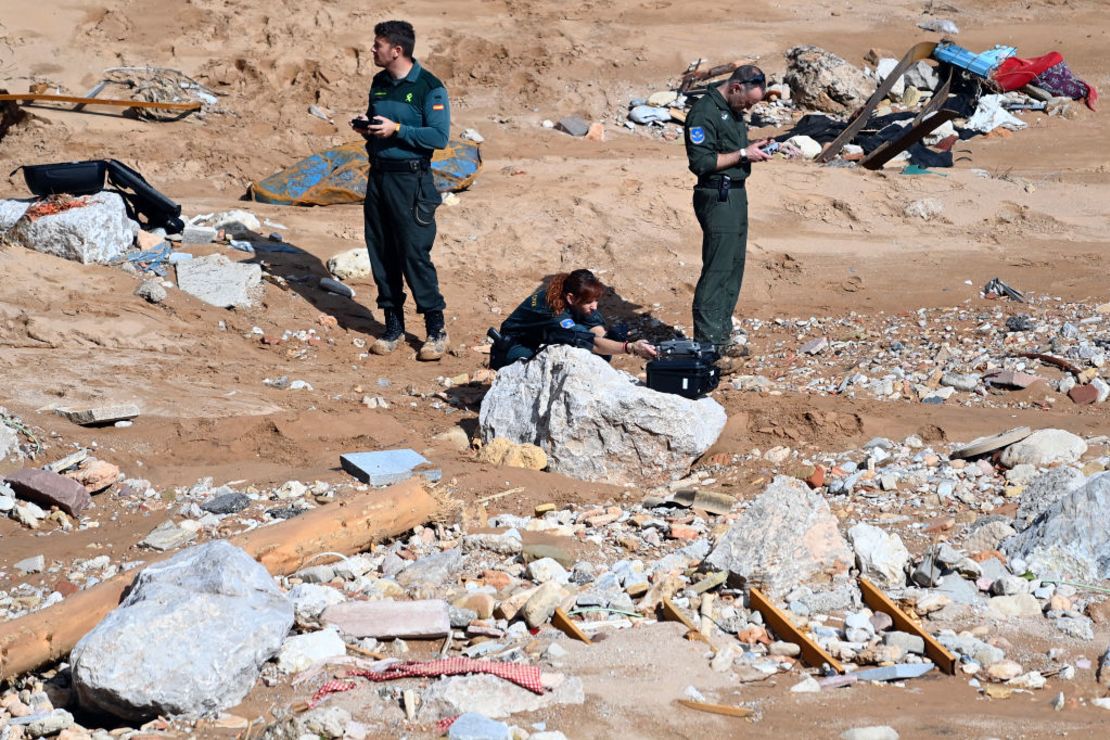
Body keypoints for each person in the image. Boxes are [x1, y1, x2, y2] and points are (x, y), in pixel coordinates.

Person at [352, 20, 451, 362]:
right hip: (379, 177)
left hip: (412, 182)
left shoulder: (429, 87)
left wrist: (397, 130)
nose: (372, 49)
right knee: (381, 252)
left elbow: (439, 137)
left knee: (414, 254)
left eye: (377, 44)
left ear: (397, 50)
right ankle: (393, 325)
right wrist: (368, 128)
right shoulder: (379, 83)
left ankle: (435, 329)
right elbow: (378, 120)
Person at [683, 65, 772, 371]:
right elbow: (701, 161)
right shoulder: (704, 113)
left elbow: (734, 150)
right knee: (718, 269)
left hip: (736, 193)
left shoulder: (731, 111)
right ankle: (707, 347)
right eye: (748, 101)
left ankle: (721, 338)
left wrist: (755, 150)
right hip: (717, 195)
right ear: (735, 88)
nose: (749, 108)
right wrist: (744, 155)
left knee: (734, 267)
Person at [491, 269, 657, 369]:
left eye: (596, 300)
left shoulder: (573, 293)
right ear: (571, 299)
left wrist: (610, 339)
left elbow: (595, 326)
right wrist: (631, 348)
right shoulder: (554, 313)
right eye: (589, 302)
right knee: (586, 349)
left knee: (603, 351)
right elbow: (590, 342)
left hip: (542, 338)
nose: (595, 306)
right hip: (516, 348)